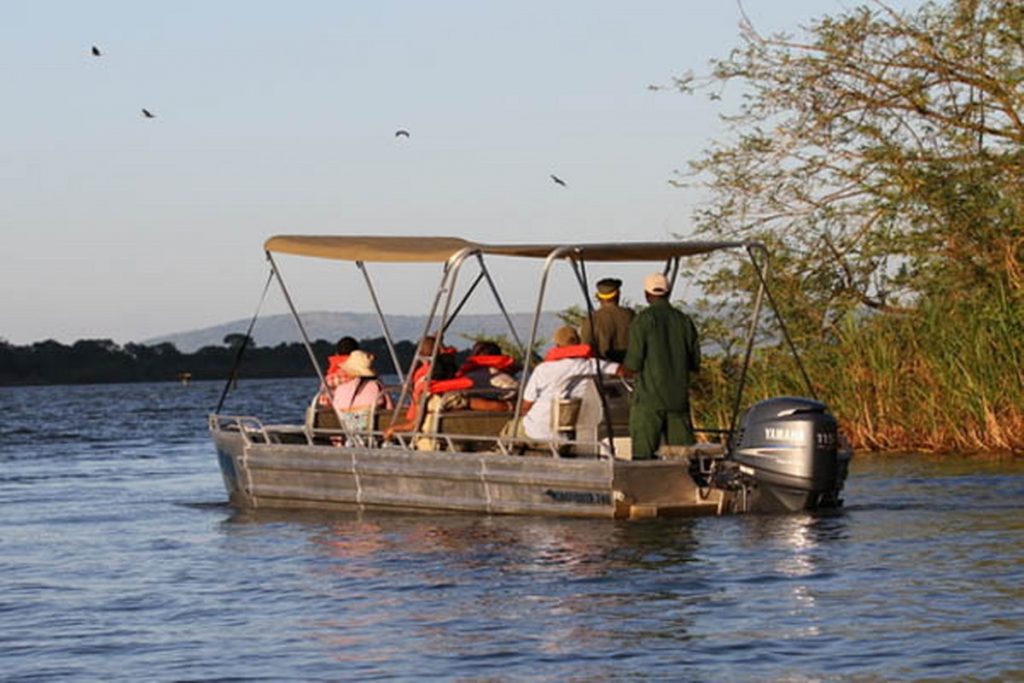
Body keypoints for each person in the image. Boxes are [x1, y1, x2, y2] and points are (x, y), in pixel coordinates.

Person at [618, 272, 701, 459]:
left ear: (647, 295)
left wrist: (620, 370)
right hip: (678, 400)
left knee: (643, 457)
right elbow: (694, 362)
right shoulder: (684, 320)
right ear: (669, 292)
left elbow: (634, 363)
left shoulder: (643, 320)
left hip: (649, 401)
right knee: (684, 457)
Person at [510, 325, 618, 442]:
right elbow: (621, 370)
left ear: (557, 346)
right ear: (579, 343)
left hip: (534, 431)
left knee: (510, 429)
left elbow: (526, 406)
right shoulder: (591, 365)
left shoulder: (543, 369)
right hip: (565, 436)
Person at [580, 277, 634, 363]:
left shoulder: (591, 320)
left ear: (598, 297)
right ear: (618, 294)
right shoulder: (631, 316)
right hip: (629, 371)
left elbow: (585, 350)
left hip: (603, 372)